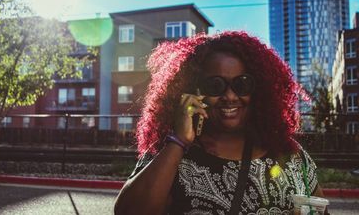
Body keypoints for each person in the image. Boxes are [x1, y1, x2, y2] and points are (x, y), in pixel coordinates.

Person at [114, 31, 325, 215]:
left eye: (242, 84)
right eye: (215, 85)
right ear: (193, 91)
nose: (230, 96)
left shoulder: (290, 154)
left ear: (259, 89)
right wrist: (178, 140)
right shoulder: (171, 151)